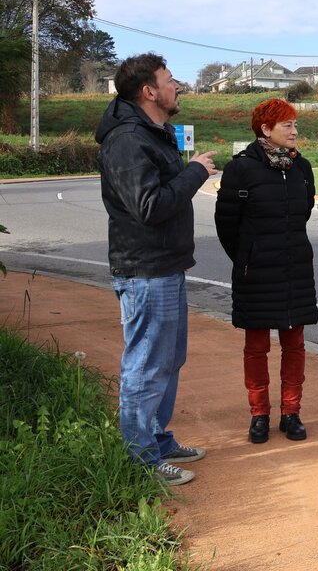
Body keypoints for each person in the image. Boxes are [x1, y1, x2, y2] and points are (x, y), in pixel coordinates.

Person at [95, 53, 218, 486]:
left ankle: (157, 440)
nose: (177, 86)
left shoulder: (150, 133)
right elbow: (151, 206)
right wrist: (197, 172)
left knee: (167, 360)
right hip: (144, 271)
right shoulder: (129, 139)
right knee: (147, 364)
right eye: (170, 80)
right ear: (149, 91)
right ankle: (142, 458)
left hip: (163, 267)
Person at [214, 99, 318, 445]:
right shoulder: (240, 169)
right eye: (287, 125)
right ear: (266, 129)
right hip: (256, 273)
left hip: (294, 270)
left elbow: (302, 214)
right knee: (256, 347)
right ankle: (259, 414)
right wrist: (248, 257)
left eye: (295, 124)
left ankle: (292, 412)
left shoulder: (301, 167)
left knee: (296, 345)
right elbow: (226, 225)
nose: (294, 130)